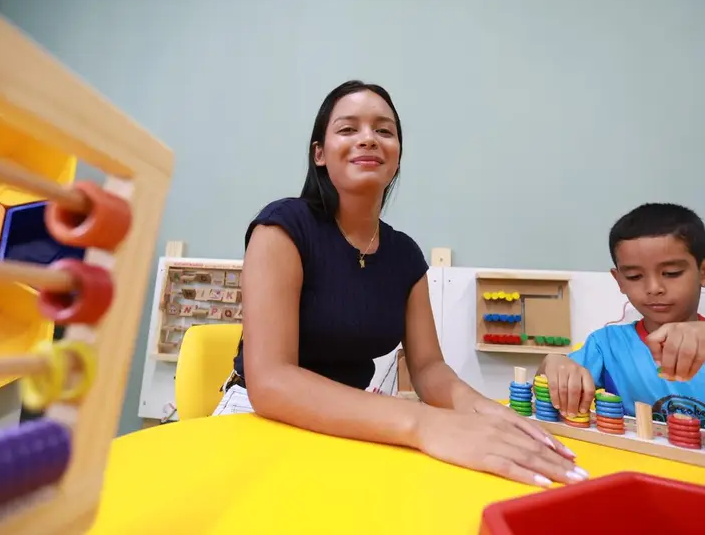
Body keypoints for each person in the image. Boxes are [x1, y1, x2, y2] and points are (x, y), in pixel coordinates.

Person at [213, 80, 586, 487]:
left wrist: (480, 409)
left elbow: (428, 368)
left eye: (384, 131)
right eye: (348, 129)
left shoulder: (405, 254)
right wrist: (423, 423)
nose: (368, 139)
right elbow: (271, 381)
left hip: (352, 422)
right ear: (319, 154)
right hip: (257, 415)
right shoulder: (283, 226)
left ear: (397, 157)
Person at [537, 203, 705, 433]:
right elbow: (548, 383)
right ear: (619, 281)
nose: (653, 288)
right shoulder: (606, 346)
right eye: (635, 277)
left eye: (671, 273)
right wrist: (552, 363)